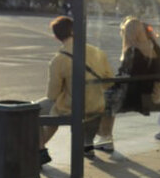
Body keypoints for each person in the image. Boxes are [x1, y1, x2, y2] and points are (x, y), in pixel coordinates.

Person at [38, 16, 114, 165]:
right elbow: (109, 80)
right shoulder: (96, 52)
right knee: (63, 108)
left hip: (73, 108)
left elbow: (52, 94)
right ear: (74, 31)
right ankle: (87, 144)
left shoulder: (58, 60)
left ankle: (38, 148)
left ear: (56, 37)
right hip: (97, 104)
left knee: (36, 110)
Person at [94, 17, 160, 153]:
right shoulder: (156, 47)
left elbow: (126, 78)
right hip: (153, 93)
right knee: (110, 95)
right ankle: (105, 136)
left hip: (138, 97)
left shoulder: (133, 51)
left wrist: (109, 82)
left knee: (103, 97)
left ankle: (104, 136)